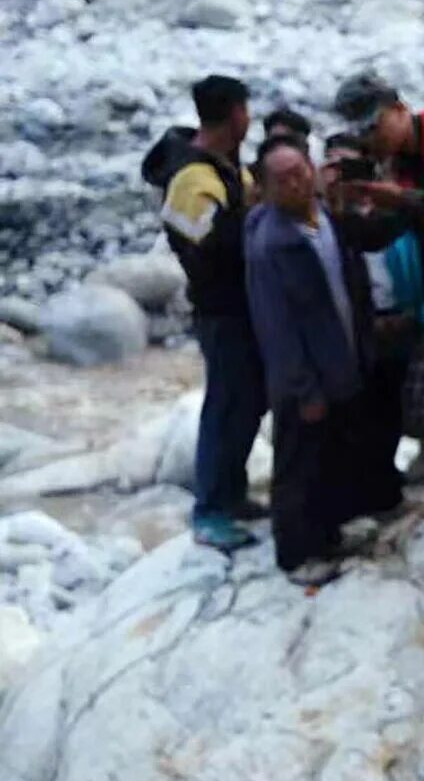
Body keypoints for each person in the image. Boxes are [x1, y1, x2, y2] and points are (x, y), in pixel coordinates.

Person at [245, 136, 402, 585]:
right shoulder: (272, 245)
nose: (296, 184)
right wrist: (304, 388)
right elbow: (277, 328)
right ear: (267, 188)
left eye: (300, 172)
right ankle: (296, 554)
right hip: (304, 377)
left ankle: (328, 534)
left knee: (333, 456)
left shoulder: (325, 219)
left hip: (341, 362)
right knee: (299, 466)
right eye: (283, 180)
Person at [332, 74, 424, 493]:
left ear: (400, 110)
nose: (371, 140)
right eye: (362, 133)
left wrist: (400, 199)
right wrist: (340, 213)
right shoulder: (394, 166)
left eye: (374, 127)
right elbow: (391, 229)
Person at [142, 75, 267, 552]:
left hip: (243, 307)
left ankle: (231, 494)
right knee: (226, 406)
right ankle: (211, 509)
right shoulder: (192, 181)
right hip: (222, 310)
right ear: (236, 114)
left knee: (247, 402)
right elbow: (212, 249)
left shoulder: (223, 167)